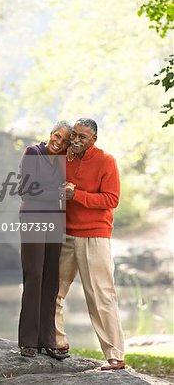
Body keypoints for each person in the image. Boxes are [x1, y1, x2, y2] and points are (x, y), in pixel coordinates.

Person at [55, 117, 125, 370]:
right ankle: (57, 342)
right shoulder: (65, 157)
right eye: (74, 134)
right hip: (67, 236)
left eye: (82, 137)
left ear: (93, 139)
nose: (75, 140)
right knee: (53, 291)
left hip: (94, 236)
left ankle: (115, 356)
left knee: (100, 297)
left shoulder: (106, 161)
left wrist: (77, 195)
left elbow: (111, 199)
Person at [18, 121, 72, 360]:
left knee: (51, 279)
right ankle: (28, 341)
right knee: (35, 276)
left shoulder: (62, 161)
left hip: (55, 222)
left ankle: (48, 341)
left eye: (63, 140)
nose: (57, 141)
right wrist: (59, 192)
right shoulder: (33, 153)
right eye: (56, 135)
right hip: (32, 220)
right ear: (51, 133)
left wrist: (68, 188)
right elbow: (25, 189)